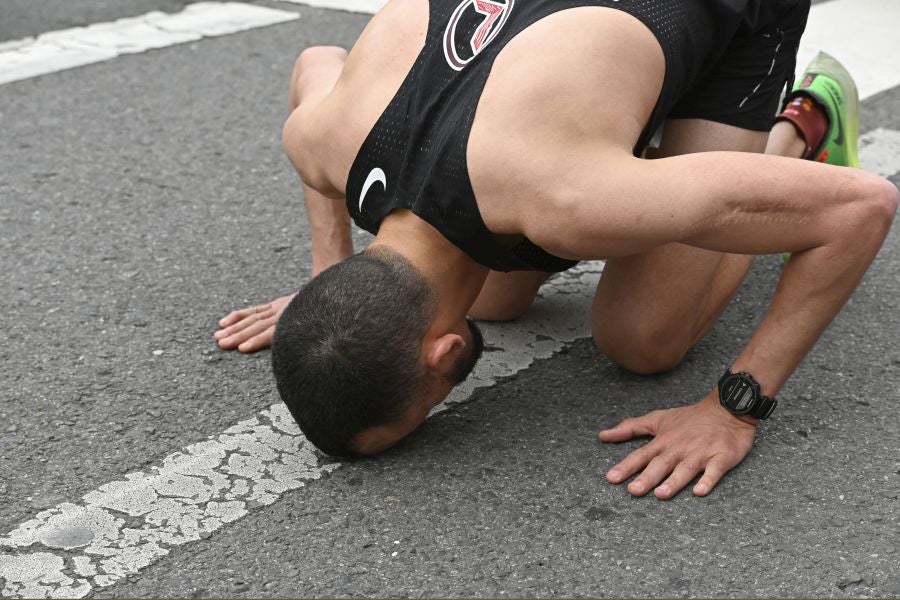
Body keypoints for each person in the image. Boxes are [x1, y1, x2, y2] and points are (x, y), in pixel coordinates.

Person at [214, 0, 898, 500]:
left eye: (425, 411)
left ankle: (800, 126)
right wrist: (326, 282)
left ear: (445, 353)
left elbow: (861, 209)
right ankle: (641, 140)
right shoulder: (328, 138)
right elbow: (315, 66)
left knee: (643, 339)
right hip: (562, 75)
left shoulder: (571, 202)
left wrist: (733, 409)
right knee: (497, 296)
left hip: (725, 16)